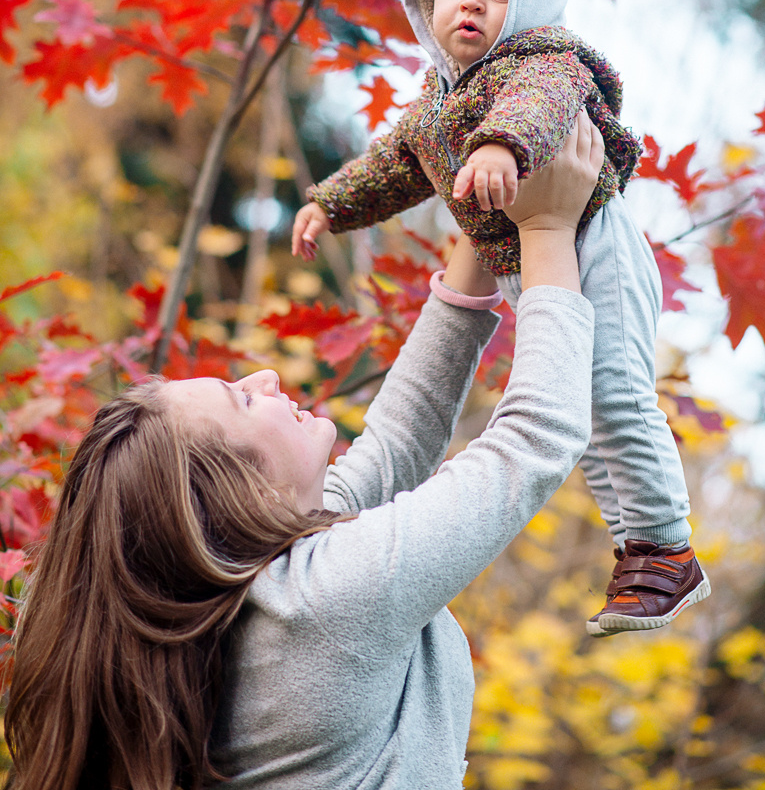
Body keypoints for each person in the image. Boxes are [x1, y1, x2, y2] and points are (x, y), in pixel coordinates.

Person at [9, 115, 601, 790]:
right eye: (240, 399)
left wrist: (479, 223)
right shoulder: (320, 603)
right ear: (245, 495)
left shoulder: (259, 588)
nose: (263, 378)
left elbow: (398, 443)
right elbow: (530, 444)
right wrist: (549, 230)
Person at [293, 0, 710, 635]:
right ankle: (633, 548)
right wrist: (330, 203)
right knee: (580, 409)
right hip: (531, 265)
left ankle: (665, 544)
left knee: (612, 388)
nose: (474, 4)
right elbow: (394, 166)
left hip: (591, 240)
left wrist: (501, 149)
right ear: (429, 3)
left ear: (530, 7)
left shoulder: (543, 64)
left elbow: (539, 106)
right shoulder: (434, 103)